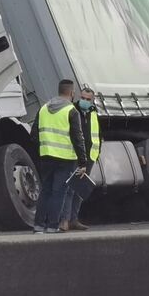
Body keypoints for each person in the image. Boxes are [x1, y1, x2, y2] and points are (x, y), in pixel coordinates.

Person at [31, 79, 89, 233]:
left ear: (59, 90)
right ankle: (52, 226)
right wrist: (83, 163)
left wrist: (43, 149)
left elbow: (34, 134)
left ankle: (38, 225)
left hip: (46, 156)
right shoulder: (71, 111)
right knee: (59, 193)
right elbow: (78, 138)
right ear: (71, 92)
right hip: (66, 159)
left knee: (45, 191)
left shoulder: (43, 109)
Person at [62, 86, 100, 231]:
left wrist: (97, 152)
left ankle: (74, 220)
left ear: (93, 100)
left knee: (80, 189)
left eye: (87, 99)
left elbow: (96, 133)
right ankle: (64, 220)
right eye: (82, 98)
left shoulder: (93, 112)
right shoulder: (72, 110)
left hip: (90, 156)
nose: (84, 101)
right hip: (75, 155)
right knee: (70, 188)